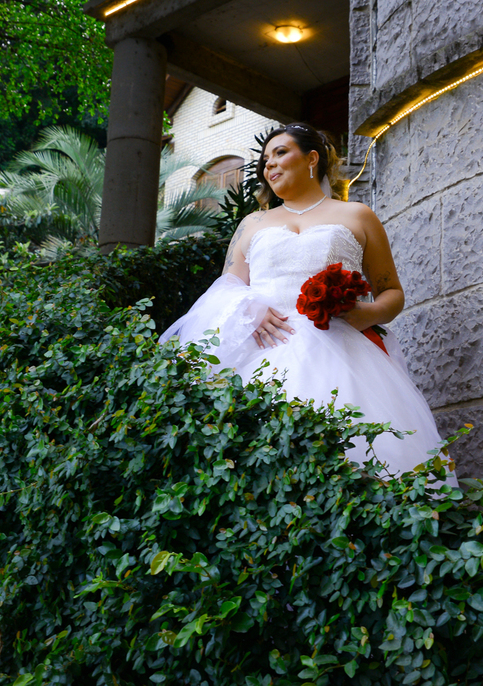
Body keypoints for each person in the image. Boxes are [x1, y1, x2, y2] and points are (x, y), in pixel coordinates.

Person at [163, 123, 455, 484]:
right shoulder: (252, 223)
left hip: (346, 355)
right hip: (264, 350)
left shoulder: (357, 215)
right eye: (265, 159)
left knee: (360, 465)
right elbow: (227, 287)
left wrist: (366, 314)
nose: (269, 165)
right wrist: (248, 310)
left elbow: (391, 292)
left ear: (312, 158)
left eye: (280, 153)